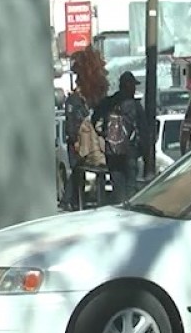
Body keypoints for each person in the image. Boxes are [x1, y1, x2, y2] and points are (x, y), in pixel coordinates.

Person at [60, 46, 109, 211]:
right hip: (81, 143)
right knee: (78, 171)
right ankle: (72, 200)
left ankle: (73, 200)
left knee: (80, 171)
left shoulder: (83, 100)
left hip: (86, 143)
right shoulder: (78, 100)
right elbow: (73, 123)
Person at [93, 71, 148, 204]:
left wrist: (105, 134)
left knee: (117, 186)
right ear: (128, 86)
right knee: (131, 185)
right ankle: (129, 212)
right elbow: (144, 129)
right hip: (130, 151)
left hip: (112, 151)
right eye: (133, 85)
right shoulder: (135, 106)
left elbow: (94, 119)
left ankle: (120, 208)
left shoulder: (108, 102)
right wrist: (144, 151)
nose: (135, 89)